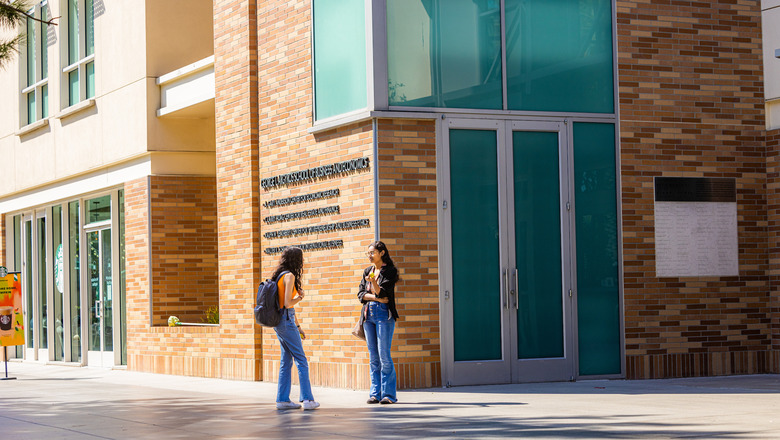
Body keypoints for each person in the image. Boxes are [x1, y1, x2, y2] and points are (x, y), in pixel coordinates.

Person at [271, 246, 320, 410]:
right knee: (301, 360)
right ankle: (307, 399)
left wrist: (298, 326)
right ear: (297, 260)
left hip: (281, 322)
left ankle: (282, 400)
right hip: (285, 322)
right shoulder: (290, 276)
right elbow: (287, 304)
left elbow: (286, 309)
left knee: (286, 361)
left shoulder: (279, 276)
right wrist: (299, 297)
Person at [357, 241, 400, 404]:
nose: (369, 255)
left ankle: (389, 394)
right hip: (368, 316)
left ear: (381, 253)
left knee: (384, 355)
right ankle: (375, 393)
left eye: (372, 252)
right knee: (373, 356)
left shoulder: (390, 271)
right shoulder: (367, 271)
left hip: (383, 315)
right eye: (367, 253)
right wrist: (374, 297)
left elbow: (384, 293)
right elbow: (360, 294)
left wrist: (373, 283)